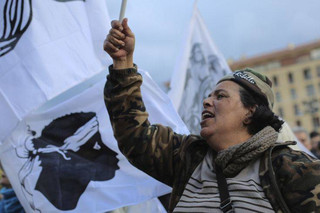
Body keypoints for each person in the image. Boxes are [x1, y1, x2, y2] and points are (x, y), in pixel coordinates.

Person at [103, 19, 320, 212]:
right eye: (208, 95)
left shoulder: (294, 169)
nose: (207, 101)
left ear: (250, 111)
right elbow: (134, 136)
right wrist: (123, 64)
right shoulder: (187, 157)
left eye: (220, 96)